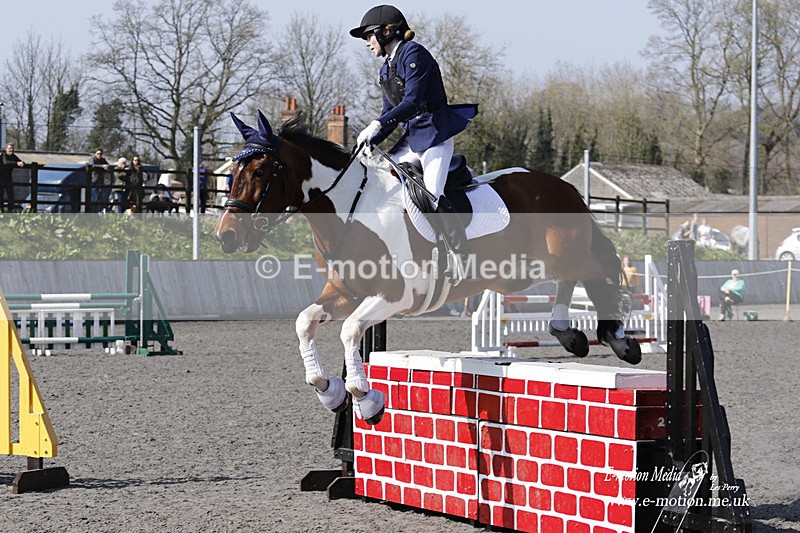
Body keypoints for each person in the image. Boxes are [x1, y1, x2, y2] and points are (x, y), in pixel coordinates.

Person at [350, 4, 478, 284]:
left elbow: (413, 102)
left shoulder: (414, 54)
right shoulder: (386, 69)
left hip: (435, 136)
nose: (367, 43)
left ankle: (462, 256)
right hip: (411, 138)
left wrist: (377, 124)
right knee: (384, 187)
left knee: (432, 192)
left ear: (387, 31)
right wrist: (370, 139)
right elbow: (389, 114)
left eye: (369, 36)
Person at [0, 143, 25, 212]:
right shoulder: (3, 154)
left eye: (12, 148)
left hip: (8, 178)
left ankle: (10, 212)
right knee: (0, 196)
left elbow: (19, 161)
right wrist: (16, 163)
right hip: (1, 178)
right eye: (10, 148)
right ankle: (1, 211)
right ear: (6, 149)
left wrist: (22, 163)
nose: (11, 150)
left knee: (11, 196)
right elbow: (5, 162)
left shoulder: (13, 156)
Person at [88, 148, 111, 213]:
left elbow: (107, 165)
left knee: (100, 197)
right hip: (93, 181)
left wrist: (106, 167)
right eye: (98, 154)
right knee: (94, 197)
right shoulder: (92, 159)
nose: (99, 155)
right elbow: (92, 166)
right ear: (95, 154)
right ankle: (92, 211)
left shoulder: (103, 160)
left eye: (100, 154)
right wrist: (102, 166)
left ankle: (99, 211)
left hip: (100, 182)